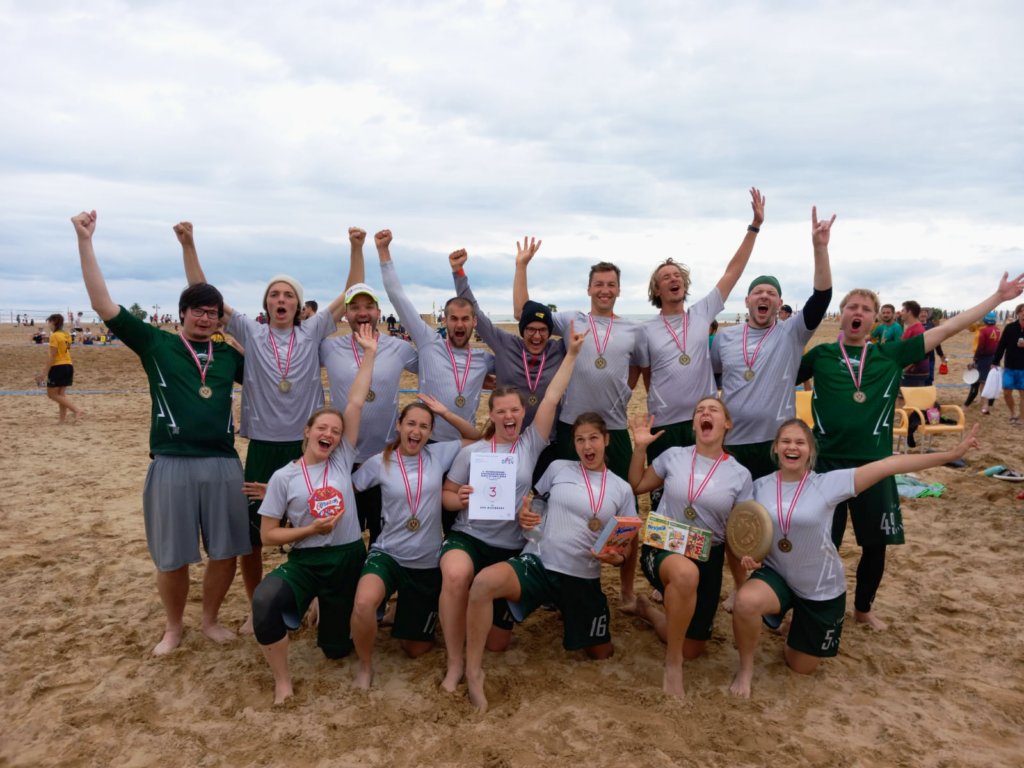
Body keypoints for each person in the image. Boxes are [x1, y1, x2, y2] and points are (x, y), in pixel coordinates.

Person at [798, 273, 1024, 630]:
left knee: (875, 545)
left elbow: (947, 330)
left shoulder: (891, 353)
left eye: (866, 309)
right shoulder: (821, 355)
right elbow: (775, 374)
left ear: (874, 319)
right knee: (820, 543)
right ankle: (809, 603)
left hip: (878, 465)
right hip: (826, 465)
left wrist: (997, 298)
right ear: (840, 315)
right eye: (852, 307)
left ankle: (863, 607)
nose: (858, 312)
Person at [74, 210, 248, 655]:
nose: (206, 318)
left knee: (226, 552)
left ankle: (208, 619)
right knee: (172, 555)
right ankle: (174, 626)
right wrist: (85, 241)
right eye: (198, 312)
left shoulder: (229, 355)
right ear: (182, 314)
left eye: (213, 313)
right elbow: (102, 305)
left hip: (225, 462)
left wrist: (191, 247)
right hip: (171, 461)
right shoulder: (157, 344)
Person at [176, 221, 349, 634]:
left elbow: (351, 293)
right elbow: (205, 293)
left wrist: (356, 246)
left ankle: (317, 601)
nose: (281, 299)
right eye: (275, 294)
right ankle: (258, 607)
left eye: (289, 294)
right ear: (266, 303)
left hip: (307, 448)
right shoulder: (250, 332)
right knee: (254, 537)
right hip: (263, 448)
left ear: (299, 304)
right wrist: (189, 244)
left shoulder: (312, 330)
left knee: (318, 526)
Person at [729, 419, 981, 698]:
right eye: (786, 441)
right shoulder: (759, 486)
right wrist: (751, 557)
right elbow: (747, 532)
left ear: (810, 451)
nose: (792, 447)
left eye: (800, 442)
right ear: (776, 448)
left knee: (801, 667)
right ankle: (746, 669)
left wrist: (951, 455)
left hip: (820, 585)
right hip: (778, 575)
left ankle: (794, 628)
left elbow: (888, 466)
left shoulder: (828, 483)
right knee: (746, 601)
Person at [437, 320, 587, 692]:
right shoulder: (472, 453)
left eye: (514, 411)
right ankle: (456, 664)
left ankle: (475, 618)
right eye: (501, 412)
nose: (508, 417)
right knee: (455, 575)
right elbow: (447, 494)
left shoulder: (529, 445)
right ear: (491, 415)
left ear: (523, 413)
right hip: (469, 537)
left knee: (498, 643)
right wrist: (459, 498)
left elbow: (551, 396)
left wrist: (571, 354)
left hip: (509, 547)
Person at [463, 413, 637, 711]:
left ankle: (571, 611)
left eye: (593, 438)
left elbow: (627, 545)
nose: (587, 446)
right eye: (580, 440)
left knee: (601, 653)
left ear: (606, 440)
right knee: (484, 585)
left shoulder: (622, 489)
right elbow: (536, 506)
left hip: (582, 576)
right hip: (538, 564)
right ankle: (472, 672)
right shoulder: (558, 469)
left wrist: (616, 558)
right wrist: (526, 517)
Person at [247, 326, 375, 703]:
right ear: (307, 431)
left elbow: (353, 404)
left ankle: (323, 615)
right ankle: (282, 681)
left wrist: (369, 353)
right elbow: (268, 536)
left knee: (335, 650)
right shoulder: (284, 476)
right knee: (264, 601)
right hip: (306, 559)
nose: (330, 434)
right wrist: (307, 530)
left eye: (335, 431)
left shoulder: (342, 460)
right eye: (323, 428)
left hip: (347, 558)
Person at [513, 250, 642, 603]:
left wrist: (624, 392)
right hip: (572, 429)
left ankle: (628, 591)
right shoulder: (571, 318)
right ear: (588, 289)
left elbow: (639, 367)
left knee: (627, 511)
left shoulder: (633, 329)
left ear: (618, 290)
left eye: (611, 284)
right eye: (598, 284)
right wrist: (521, 266)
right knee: (560, 506)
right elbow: (523, 313)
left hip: (613, 430)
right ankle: (557, 581)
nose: (605, 289)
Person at [637, 187, 764, 510]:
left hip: (702, 422)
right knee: (663, 499)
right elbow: (645, 374)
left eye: (677, 274)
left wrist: (754, 228)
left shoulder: (702, 313)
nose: (672, 278)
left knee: (704, 495)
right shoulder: (646, 329)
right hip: (664, 426)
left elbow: (732, 272)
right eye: (665, 277)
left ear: (685, 284)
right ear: (657, 289)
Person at [349, 398, 482, 690]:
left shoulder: (438, 453)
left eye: (424, 426)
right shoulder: (379, 461)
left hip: (426, 562)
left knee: (415, 649)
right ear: (399, 426)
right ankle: (365, 666)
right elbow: (346, 488)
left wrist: (445, 412)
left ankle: (405, 610)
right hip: (389, 554)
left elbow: (476, 437)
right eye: (411, 423)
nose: (417, 431)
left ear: (431, 432)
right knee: (362, 605)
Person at [627, 399, 753, 697]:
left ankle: (649, 611)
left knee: (694, 647)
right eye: (699, 411)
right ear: (694, 424)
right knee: (684, 576)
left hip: (709, 555)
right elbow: (637, 484)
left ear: (727, 424)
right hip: (663, 546)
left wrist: (741, 584)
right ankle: (673, 665)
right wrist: (640, 448)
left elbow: (737, 537)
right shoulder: (674, 456)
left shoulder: (740, 475)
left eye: (714, 410)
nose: (705, 414)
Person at [710, 207, 834, 481]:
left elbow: (822, 298)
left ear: (779, 303)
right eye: (758, 292)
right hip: (733, 440)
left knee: (774, 516)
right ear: (747, 301)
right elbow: (715, 378)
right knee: (736, 515)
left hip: (776, 443)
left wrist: (819, 248)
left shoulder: (792, 332)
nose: (764, 296)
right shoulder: (725, 337)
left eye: (771, 293)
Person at [321, 227, 419, 547]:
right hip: (341, 458)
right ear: (345, 314)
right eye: (355, 307)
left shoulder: (399, 348)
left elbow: (435, 365)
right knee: (343, 535)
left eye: (368, 307)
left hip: (386, 459)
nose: (362, 313)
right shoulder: (329, 349)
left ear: (379, 311)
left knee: (383, 537)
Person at [451, 241, 566, 484]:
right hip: (507, 440)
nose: (537, 336)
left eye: (543, 330)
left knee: (545, 504)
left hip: (548, 441)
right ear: (522, 329)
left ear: (551, 331)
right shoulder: (506, 343)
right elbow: (477, 315)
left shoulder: (560, 349)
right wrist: (459, 273)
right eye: (531, 330)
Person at [377, 229, 495, 445]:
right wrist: (383, 250)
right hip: (425, 442)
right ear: (445, 320)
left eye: (465, 319)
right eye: (454, 319)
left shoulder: (484, 359)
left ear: (474, 322)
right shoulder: (429, 342)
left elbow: (517, 367)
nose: (459, 324)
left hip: (464, 441)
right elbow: (397, 297)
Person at [35, 313, 84, 425]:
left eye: (49, 322)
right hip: (68, 365)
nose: (48, 325)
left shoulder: (54, 336)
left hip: (58, 366)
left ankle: (76, 410)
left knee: (51, 394)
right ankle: (62, 420)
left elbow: (52, 356)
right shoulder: (67, 335)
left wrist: (44, 372)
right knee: (61, 395)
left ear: (53, 322)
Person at [993, 302, 1024, 425]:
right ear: (1017, 313)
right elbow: (1002, 345)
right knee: (1006, 393)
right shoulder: (1010, 327)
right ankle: (1013, 413)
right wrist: (995, 362)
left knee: (1023, 394)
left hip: (1023, 367)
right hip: (1010, 366)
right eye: (1022, 310)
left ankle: (1022, 419)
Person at [965, 312, 1000, 411]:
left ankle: (974, 405)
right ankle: (988, 405)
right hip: (994, 357)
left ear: (984, 319)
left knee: (978, 382)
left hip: (983, 357)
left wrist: (975, 359)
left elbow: (980, 347)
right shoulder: (998, 330)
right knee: (991, 381)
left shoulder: (984, 331)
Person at [898, 301, 929, 390]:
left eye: (903, 310)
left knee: (911, 402)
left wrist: (903, 369)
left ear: (909, 312)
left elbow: (917, 354)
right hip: (910, 372)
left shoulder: (917, 330)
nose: (901, 313)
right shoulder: (910, 328)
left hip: (914, 373)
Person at [919, 308, 947, 385]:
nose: (923, 314)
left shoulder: (931, 325)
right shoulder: (915, 326)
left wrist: (941, 354)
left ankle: (927, 396)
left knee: (929, 378)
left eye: (925, 312)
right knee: (918, 379)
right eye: (921, 312)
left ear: (927, 315)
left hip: (930, 357)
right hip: (918, 357)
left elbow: (936, 341)